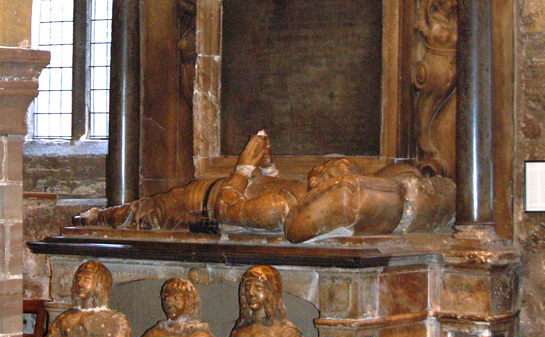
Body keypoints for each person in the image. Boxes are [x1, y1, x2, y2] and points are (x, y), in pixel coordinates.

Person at [75, 131, 455, 240]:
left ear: (328, 184)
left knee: (142, 214)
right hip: (213, 190)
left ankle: (94, 221)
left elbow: (230, 210)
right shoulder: (298, 195)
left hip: (198, 205)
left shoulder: (281, 211)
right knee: (139, 211)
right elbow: (280, 186)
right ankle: (97, 219)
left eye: (327, 170)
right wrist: (269, 168)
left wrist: (245, 164)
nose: (317, 170)